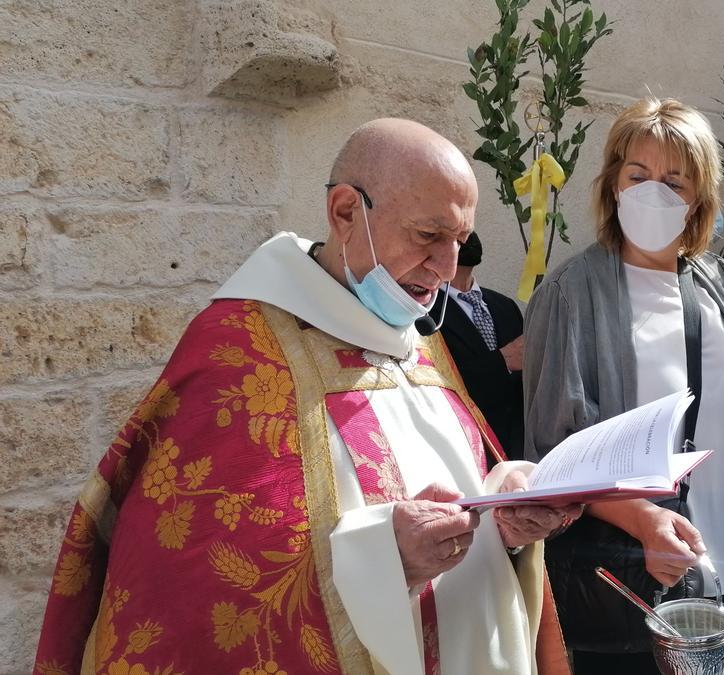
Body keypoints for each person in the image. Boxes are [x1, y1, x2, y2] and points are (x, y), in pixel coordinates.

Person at [34, 119, 579, 675]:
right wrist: (386, 561)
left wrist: (504, 512)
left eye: (459, 241)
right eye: (427, 236)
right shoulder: (239, 350)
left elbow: (455, 471)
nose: (447, 268)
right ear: (346, 212)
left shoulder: (416, 338)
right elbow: (196, 579)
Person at [523, 97, 724, 674]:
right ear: (613, 184)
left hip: (720, 572)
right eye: (638, 175)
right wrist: (646, 522)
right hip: (632, 574)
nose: (653, 191)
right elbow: (555, 456)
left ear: (698, 202)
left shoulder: (715, 282)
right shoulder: (570, 294)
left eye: (674, 181)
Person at [438, 231, 526, 456]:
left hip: (517, 447)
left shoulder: (504, 306)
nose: (468, 240)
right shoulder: (427, 311)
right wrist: (503, 360)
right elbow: (441, 384)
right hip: (466, 447)